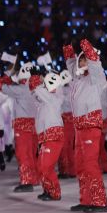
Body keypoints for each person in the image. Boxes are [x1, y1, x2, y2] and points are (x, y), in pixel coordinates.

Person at [63, 39, 107, 212]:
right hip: (79, 127)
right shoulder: (77, 79)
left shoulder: (96, 78)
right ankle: (86, 199)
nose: (82, 62)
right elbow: (70, 63)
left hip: (91, 125)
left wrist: (86, 47)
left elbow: (95, 63)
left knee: (90, 164)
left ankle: (99, 202)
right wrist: (68, 48)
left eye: (84, 60)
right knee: (81, 165)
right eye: (80, 60)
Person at [0, 63, 39, 192]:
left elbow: (4, 88)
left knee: (23, 154)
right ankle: (33, 178)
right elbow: (11, 85)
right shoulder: (36, 88)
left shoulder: (22, 89)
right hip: (34, 125)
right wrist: (6, 76)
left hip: (23, 126)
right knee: (31, 154)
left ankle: (26, 181)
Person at [28, 72, 64, 201]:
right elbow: (34, 93)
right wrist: (37, 81)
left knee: (46, 166)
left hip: (53, 136)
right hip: (44, 137)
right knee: (41, 165)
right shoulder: (44, 102)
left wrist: (36, 79)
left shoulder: (55, 99)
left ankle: (55, 193)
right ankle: (48, 190)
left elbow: (38, 90)